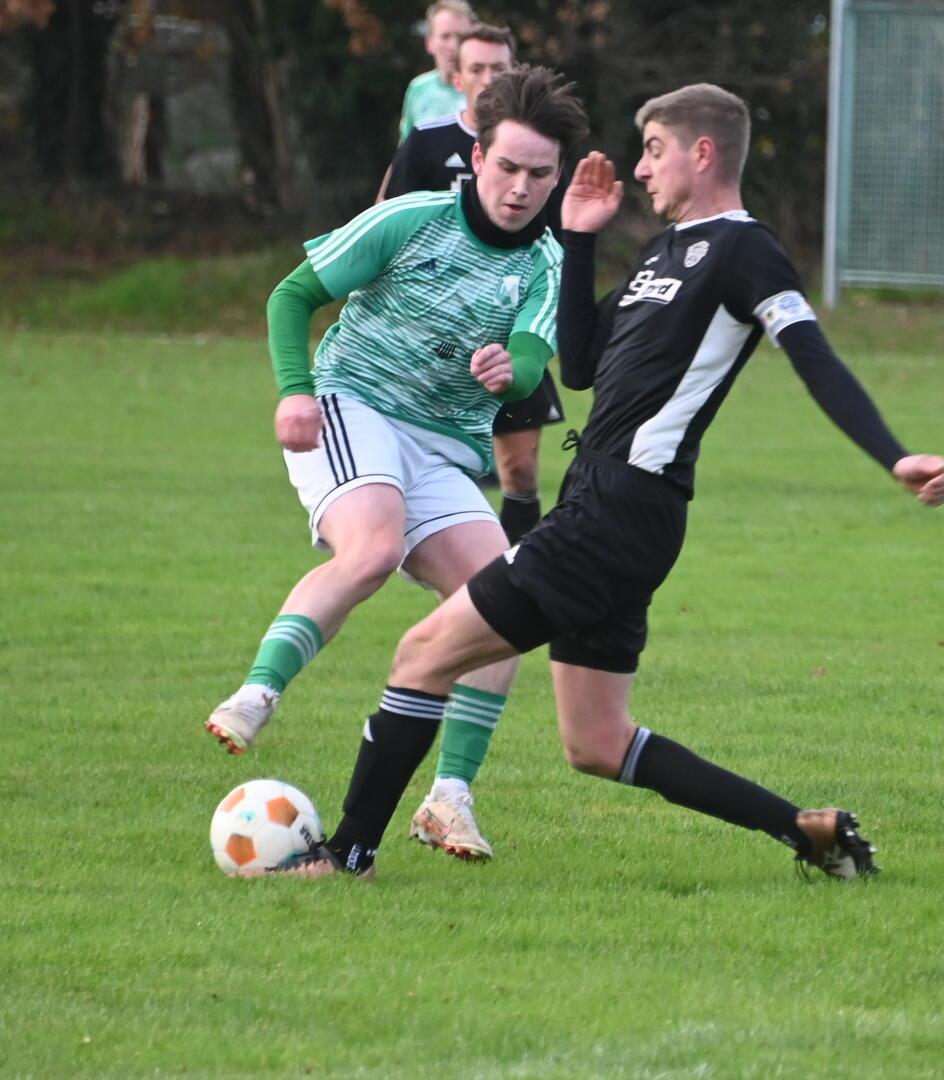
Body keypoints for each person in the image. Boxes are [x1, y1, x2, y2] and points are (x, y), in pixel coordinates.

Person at [269, 83, 944, 883]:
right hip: (616, 511)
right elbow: (585, 366)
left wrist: (892, 455)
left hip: (618, 510)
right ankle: (806, 831)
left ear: (703, 154)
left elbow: (813, 357)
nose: (640, 169)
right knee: (595, 743)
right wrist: (582, 239)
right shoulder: (665, 252)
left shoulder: (745, 249)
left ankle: (347, 855)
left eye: (654, 150)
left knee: (422, 652)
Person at [206, 67, 587, 867]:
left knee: (502, 607)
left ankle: (450, 798)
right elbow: (292, 295)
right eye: (508, 167)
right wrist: (294, 390)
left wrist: (508, 374)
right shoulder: (411, 219)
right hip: (354, 408)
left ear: (557, 179)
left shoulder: (548, 263)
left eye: (539, 174)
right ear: (477, 158)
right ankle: (258, 692)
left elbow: (528, 359)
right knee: (372, 550)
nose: (520, 188)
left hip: (443, 449)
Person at [381, 22, 568, 546]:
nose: (488, 78)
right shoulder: (427, 142)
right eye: (477, 68)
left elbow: (560, 241)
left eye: (499, 68)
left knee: (522, 472)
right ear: (455, 76)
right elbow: (387, 222)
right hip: (430, 341)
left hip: (512, 330)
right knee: (437, 463)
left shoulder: (538, 148)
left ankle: (516, 577)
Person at [398, 1, 474, 143]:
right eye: (445, 36)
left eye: (461, 37)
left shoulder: (484, 90)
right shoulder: (418, 89)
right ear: (430, 43)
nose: (453, 46)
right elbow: (404, 154)